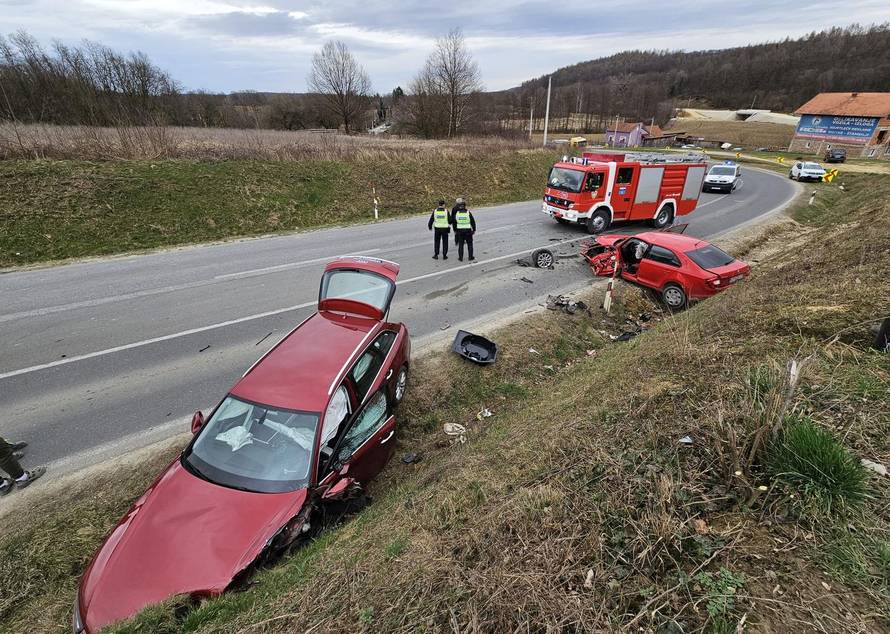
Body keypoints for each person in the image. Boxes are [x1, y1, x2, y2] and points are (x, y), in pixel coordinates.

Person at [451, 197, 477, 262]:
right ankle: (470, 257)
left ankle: (460, 258)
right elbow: (472, 222)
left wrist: (455, 230)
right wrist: (474, 229)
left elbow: (454, 222)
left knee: (461, 245)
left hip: (460, 231)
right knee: (470, 244)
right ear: (465, 206)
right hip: (468, 230)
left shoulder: (457, 214)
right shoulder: (468, 213)